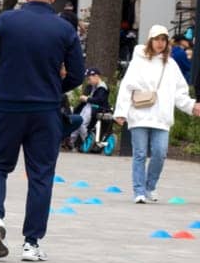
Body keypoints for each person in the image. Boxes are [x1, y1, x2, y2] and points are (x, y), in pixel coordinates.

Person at [0, 0, 86, 262]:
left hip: (6, 107)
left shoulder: (5, 21)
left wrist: (3, 82)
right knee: (40, 175)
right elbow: (77, 73)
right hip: (45, 110)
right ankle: (31, 242)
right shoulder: (64, 29)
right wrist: (54, 86)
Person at [114, 25, 200, 204]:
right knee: (139, 153)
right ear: (150, 40)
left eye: (163, 40)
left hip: (161, 117)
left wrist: (191, 106)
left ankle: (150, 186)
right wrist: (121, 112)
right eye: (156, 39)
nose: (160, 43)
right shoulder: (138, 61)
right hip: (139, 114)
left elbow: (179, 92)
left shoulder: (171, 64)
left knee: (160, 153)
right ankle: (138, 190)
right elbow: (126, 87)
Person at [65, 67, 110, 148]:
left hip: (96, 107)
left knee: (82, 123)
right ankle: (71, 141)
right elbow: (85, 95)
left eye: (89, 79)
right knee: (77, 121)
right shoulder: (90, 86)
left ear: (96, 76)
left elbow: (99, 100)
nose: (88, 81)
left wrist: (87, 99)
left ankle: (86, 140)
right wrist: (84, 98)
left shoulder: (102, 87)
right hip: (87, 106)